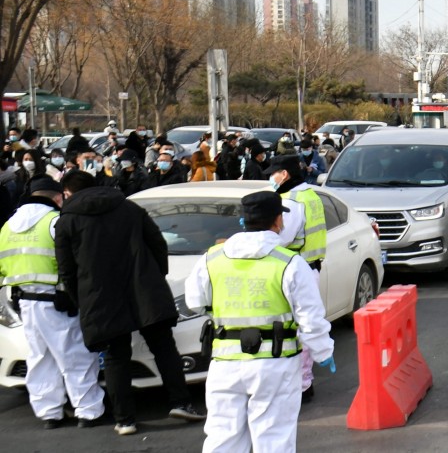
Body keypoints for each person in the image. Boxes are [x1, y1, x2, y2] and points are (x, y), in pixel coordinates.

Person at [54, 171, 205, 435]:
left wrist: (82, 299)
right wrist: (157, 275)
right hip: (144, 285)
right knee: (163, 346)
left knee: (115, 356)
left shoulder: (66, 222)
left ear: (68, 192)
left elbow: (66, 269)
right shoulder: (128, 207)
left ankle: (125, 420)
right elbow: (156, 242)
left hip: (99, 295)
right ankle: (181, 403)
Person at [184, 191, 335, 452]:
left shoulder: (212, 258)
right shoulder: (290, 262)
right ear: (278, 221)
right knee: (274, 437)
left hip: (225, 364)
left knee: (223, 438)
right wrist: (323, 352)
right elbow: (310, 318)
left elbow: (194, 301)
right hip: (275, 365)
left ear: (244, 222)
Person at [2, 177, 107, 429]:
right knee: (75, 357)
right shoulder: (55, 222)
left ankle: (50, 413)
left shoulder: (7, 227)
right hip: (59, 301)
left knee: (40, 358)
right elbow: (75, 262)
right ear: (58, 197)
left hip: (24, 303)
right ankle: (88, 411)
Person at [266, 155, 328, 400]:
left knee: (297, 331)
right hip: (308, 267)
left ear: (285, 174)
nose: (271, 178)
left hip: (294, 269)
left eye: (274, 173)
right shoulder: (310, 194)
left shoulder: (290, 201)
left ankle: (301, 385)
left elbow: (281, 238)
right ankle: (304, 381)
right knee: (304, 327)